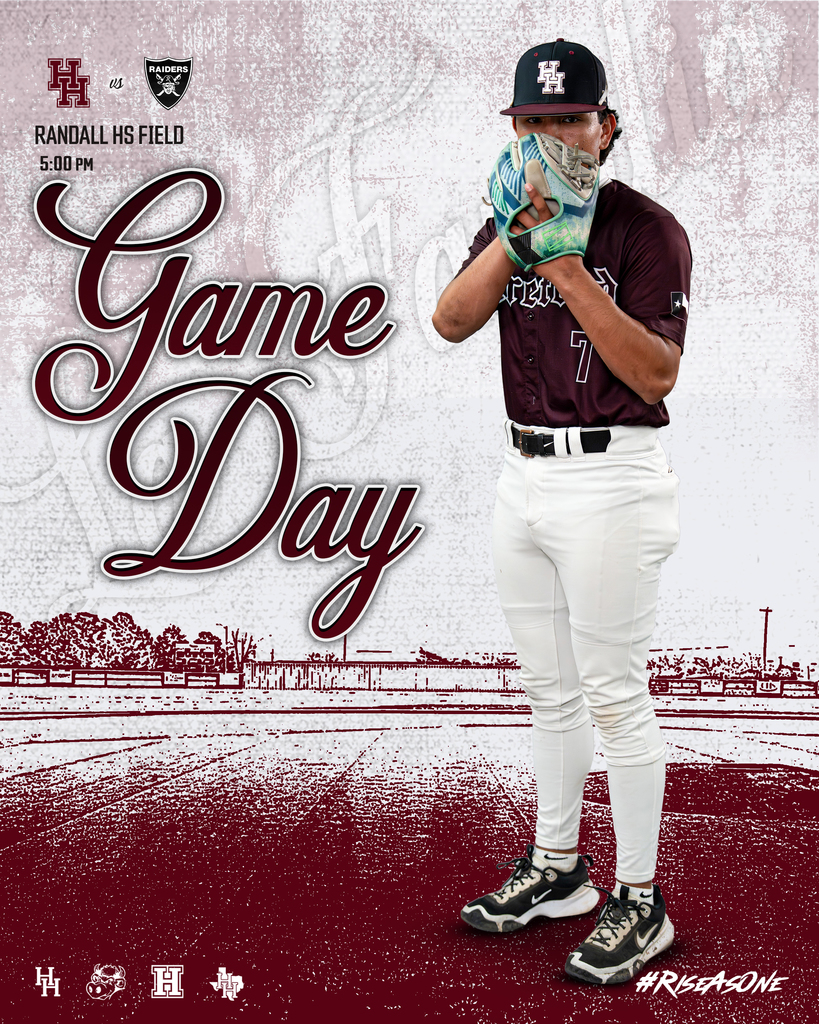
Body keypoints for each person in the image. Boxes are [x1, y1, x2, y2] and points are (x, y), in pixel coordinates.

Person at [432, 39, 691, 985]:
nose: (547, 138)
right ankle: (558, 868)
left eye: (566, 119)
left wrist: (570, 266)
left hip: (611, 476)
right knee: (549, 691)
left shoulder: (644, 229)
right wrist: (514, 238)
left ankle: (640, 897)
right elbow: (450, 321)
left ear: (604, 127)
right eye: (530, 122)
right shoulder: (504, 218)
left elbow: (658, 372)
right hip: (523, 474)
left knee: (616, 696)